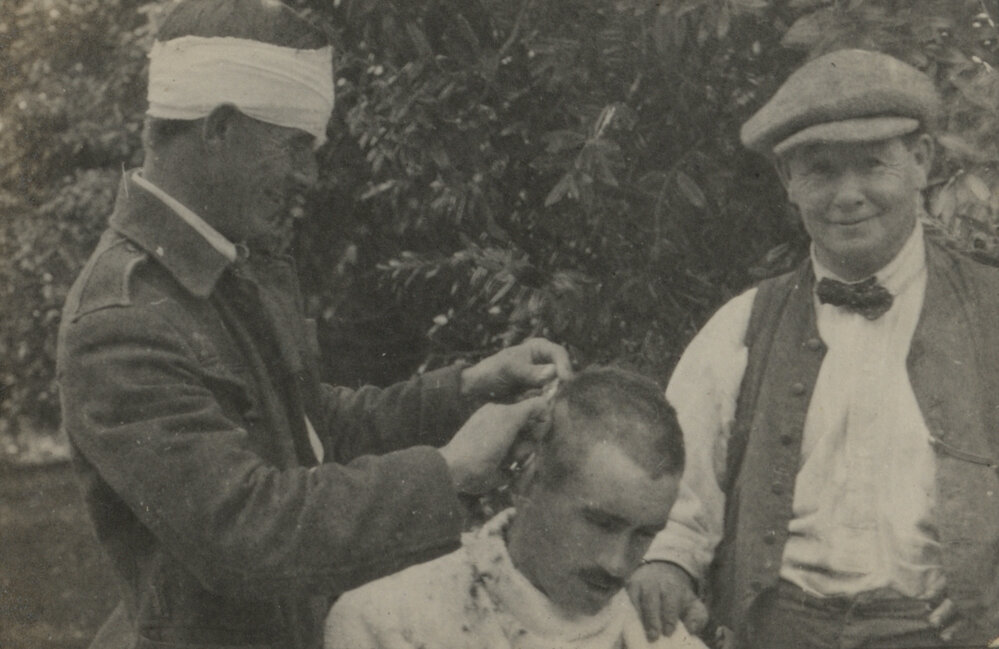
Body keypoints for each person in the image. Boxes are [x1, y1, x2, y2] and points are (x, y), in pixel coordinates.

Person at [55, 1, 572, 648]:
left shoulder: (230, 270)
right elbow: (243, 532)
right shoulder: (121, 321)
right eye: (296, 145)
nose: (309, 176)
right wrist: (448, 474)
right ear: (219, 127)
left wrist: (465, 390)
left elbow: (310, 429)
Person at [627, 49, 999, 648]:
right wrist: (668, 560)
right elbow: (677, 484)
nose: (848, 195)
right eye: (821, 170)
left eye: (873, 164)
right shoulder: (741, 326)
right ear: (787, 183)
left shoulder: (992, 311)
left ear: (921, 162)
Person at [325, 367, 706, 649]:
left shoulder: (665, 642)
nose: (618, 564)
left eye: (644, 535)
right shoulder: (391, 622)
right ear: (527, 483)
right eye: (601, 524)